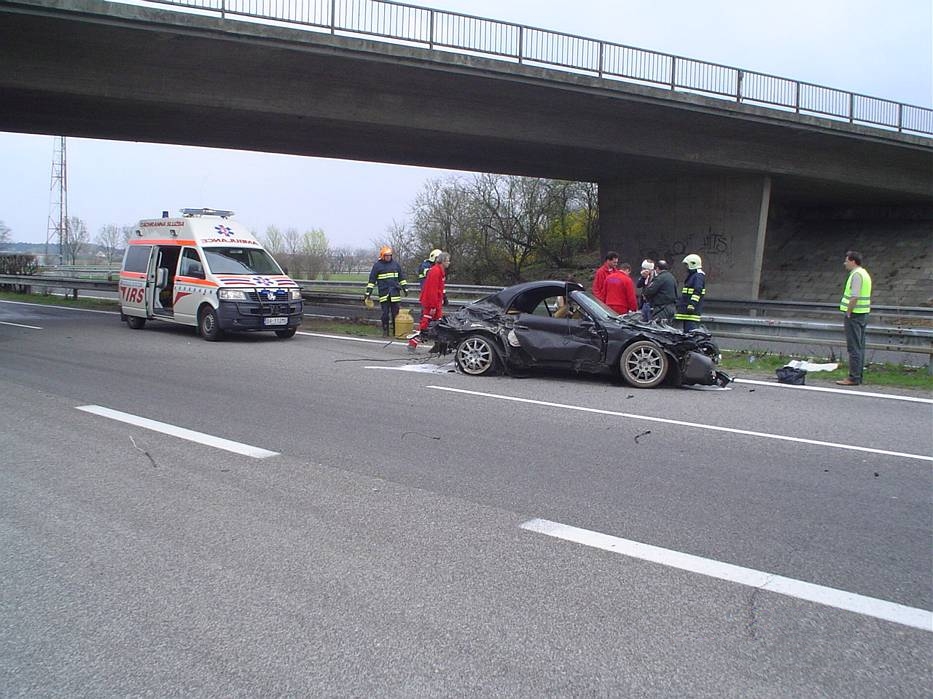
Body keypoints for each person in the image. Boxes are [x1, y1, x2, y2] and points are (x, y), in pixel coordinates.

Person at [836, 250, 872, 386]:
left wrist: (848, 312)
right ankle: (858, 376)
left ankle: (853, 377)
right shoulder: (865, 273)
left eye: (846, 260)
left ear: (852, 261)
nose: (844, 263)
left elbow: (854, 296)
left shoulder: (856, 275)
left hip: (855, 314)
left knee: (854, 348)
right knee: (860, 347)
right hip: (863, 314)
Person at [409, 251, 450, 350]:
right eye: (448, 260)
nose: (449, 263)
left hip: (435, 303)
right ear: (443, 261)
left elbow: (439, 289)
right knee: (425, 324)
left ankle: (439, 346)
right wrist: (433, 306)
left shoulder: (439, 271)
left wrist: (442, 299)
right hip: (431, 303)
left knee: (438, 324)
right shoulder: (436, 271)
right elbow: (432, 290)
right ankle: (413, 343)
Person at [364, 246, 408, 337]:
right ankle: (385, 331)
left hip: (395, 293)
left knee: (395, 314)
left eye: (390, 255)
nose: (388, 257)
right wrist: (368, 293)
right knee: (385, 314)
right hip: (384, 293)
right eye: (386, 255)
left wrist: (405, 288)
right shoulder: (377, 266)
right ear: (382, 256)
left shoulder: (396, 265)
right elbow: (372, 281)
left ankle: (396, 332)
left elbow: (401, 278)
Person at [674, 253, 706, 331]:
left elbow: (697, 291)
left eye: (687, 265)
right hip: (688, 310)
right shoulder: (694, 275)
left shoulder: (698, 276)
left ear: (693, 264)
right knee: (687, 332)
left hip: (691, 311)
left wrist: (692, 304)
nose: (686, 267)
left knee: (690, 333)